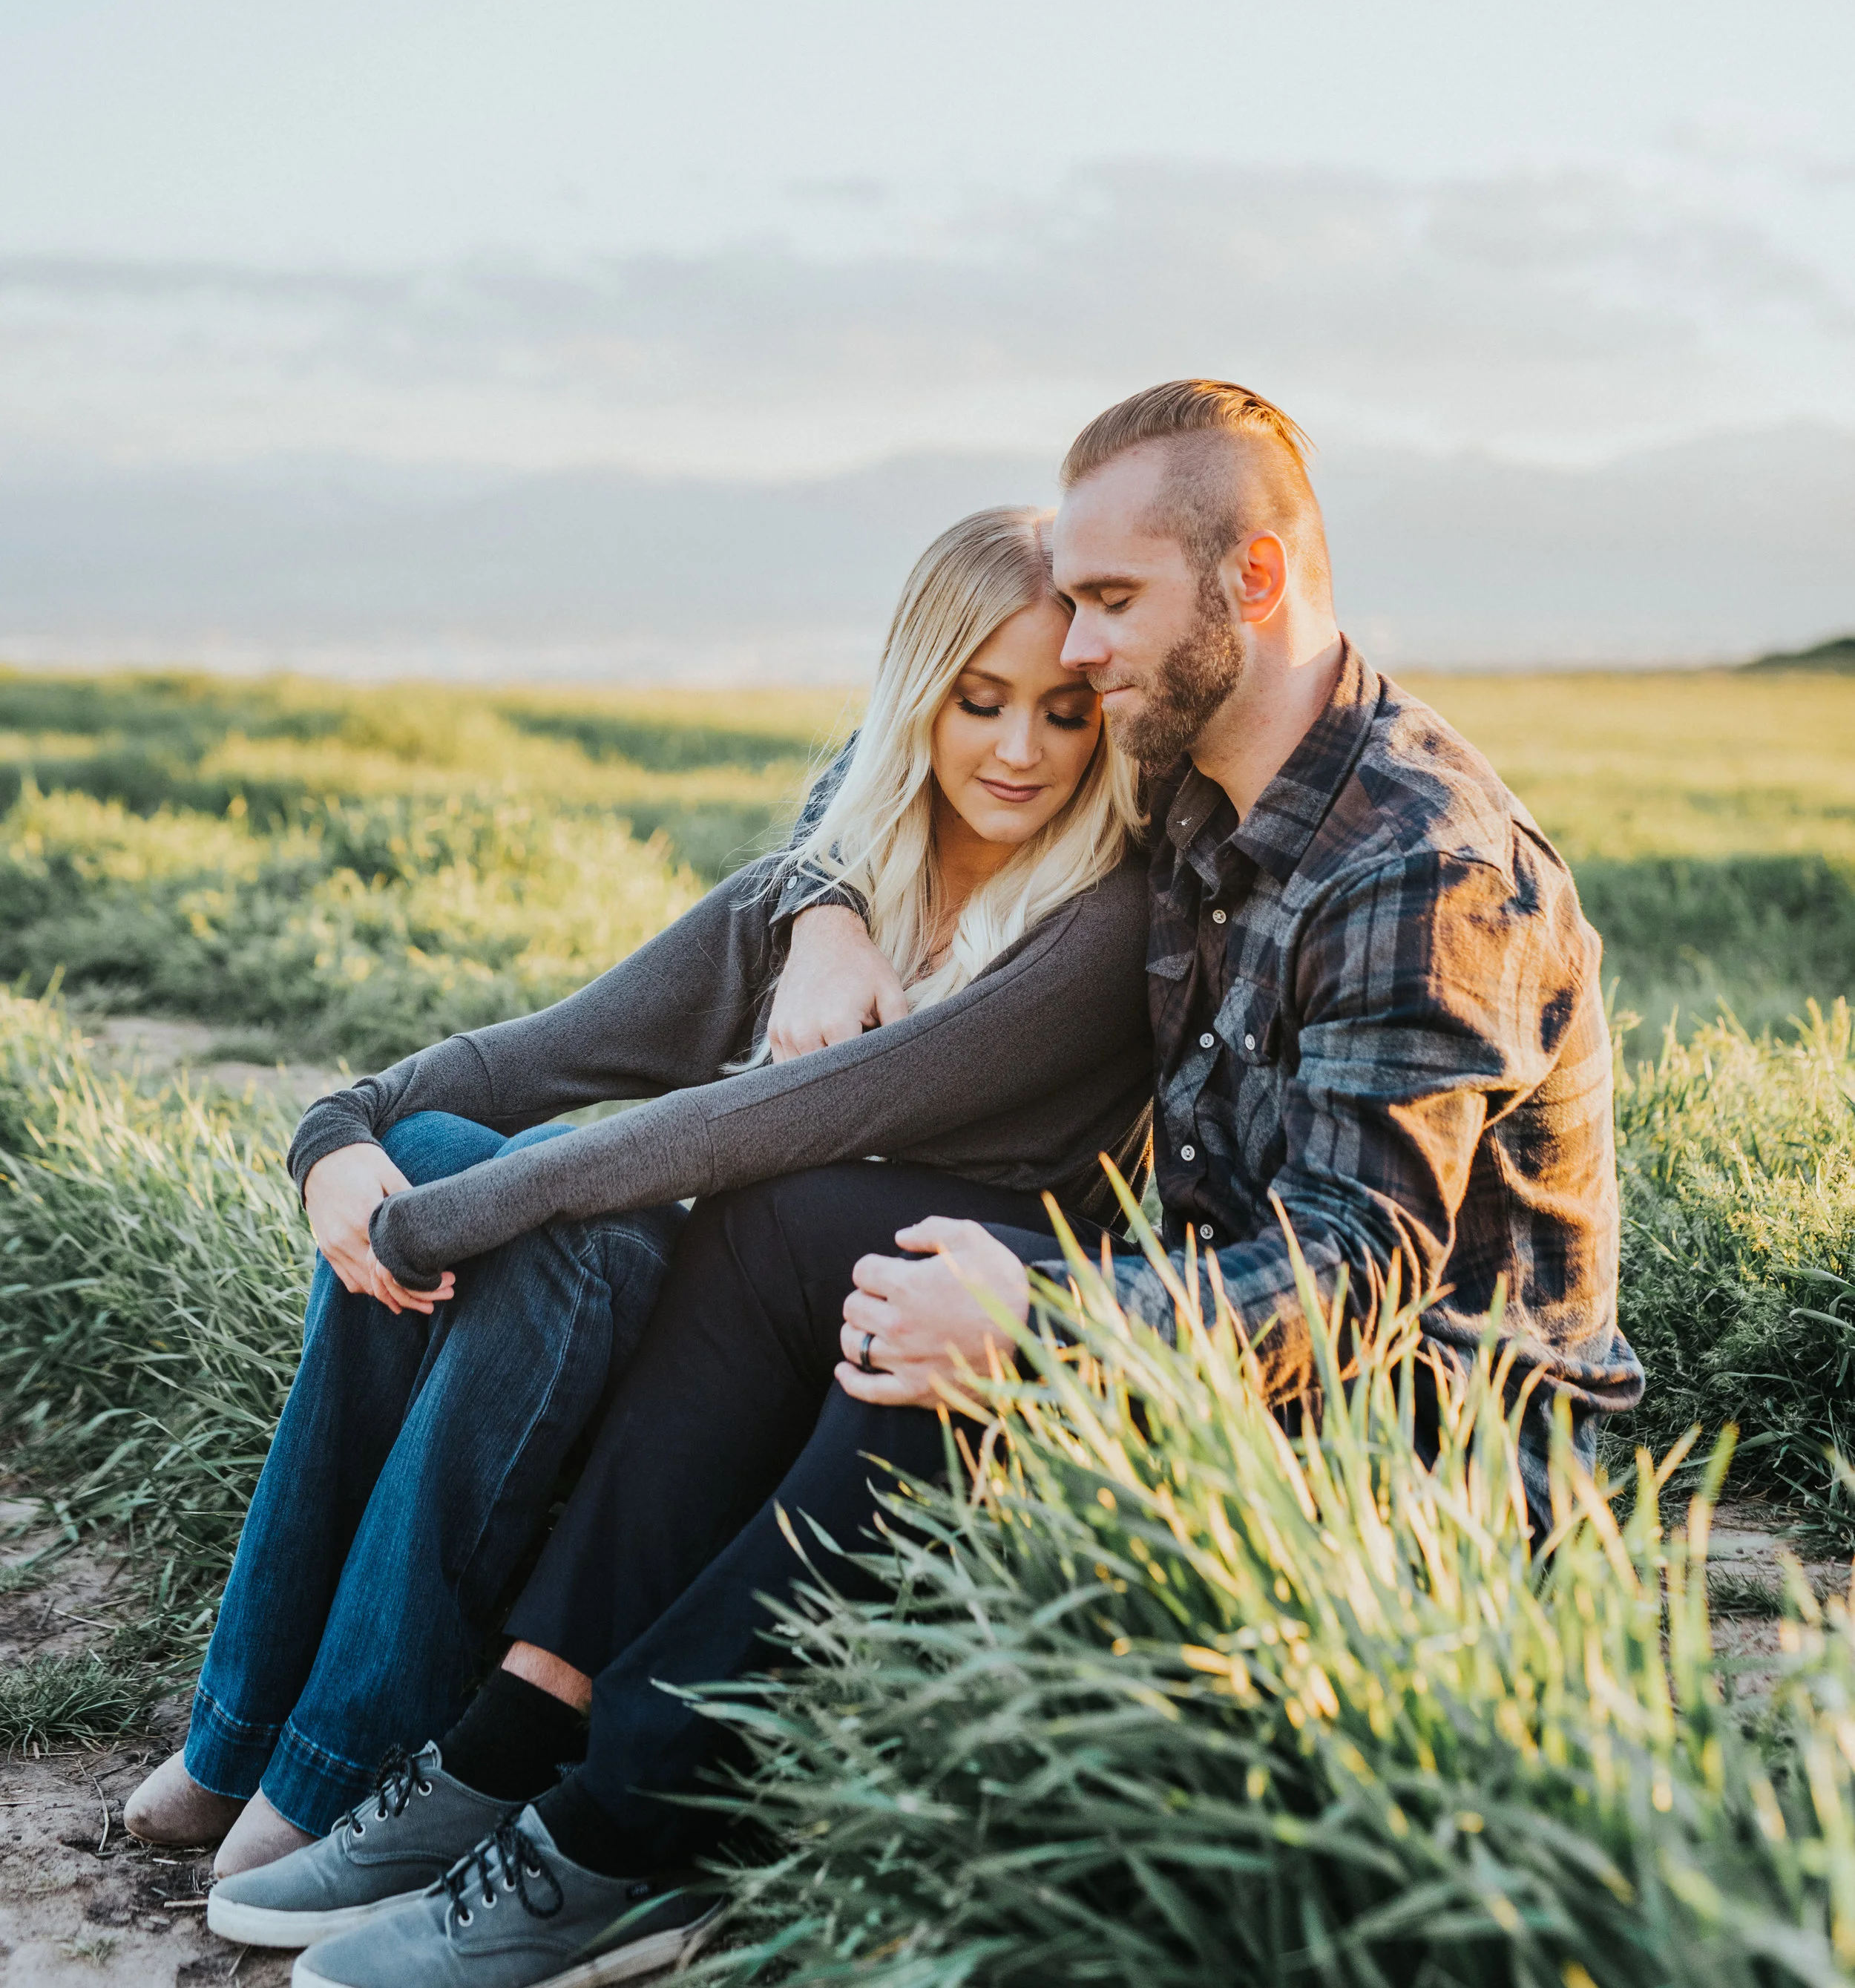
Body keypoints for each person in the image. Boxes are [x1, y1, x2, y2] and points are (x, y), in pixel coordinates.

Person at [230, 376, 1644, 1988]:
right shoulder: (1208, 778)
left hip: (1413, 1460)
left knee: (931, 1330)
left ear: (1252, 583)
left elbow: (1358, 1268)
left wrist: (1043, 1316)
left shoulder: (1417, 863)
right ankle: (510, 1735)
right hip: (1224, 1346)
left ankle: (632, 1840)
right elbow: (898, 738)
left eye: (1110, 602)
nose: (1080, 649)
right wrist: (825, 904)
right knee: (794, 1237)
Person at [125, 505, 1152, 1897]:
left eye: (1066, 711)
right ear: (917, 695)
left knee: (566, 1233)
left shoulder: (1089, 937)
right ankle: (242, 1735)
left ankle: (337, 1762)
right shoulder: (813, 901)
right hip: (714, 1341)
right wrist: (337, 1139)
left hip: (829, 1382)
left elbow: (735, 1130)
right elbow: (531, 1057)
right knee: (430, 1141)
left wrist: (434, 1223)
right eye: (980, 703)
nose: (1021, 749)